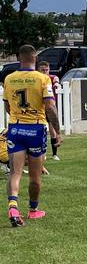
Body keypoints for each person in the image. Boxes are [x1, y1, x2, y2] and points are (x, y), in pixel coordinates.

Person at [4, 44, 63, 227]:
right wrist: (57, 132)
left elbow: (7, 106)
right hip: (35, 129)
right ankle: (33, 210)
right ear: (35, 58)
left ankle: (13, 206)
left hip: (15, 128)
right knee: (35, 176)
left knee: (15, 172)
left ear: (19, 58)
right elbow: (50, 107)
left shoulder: (9, 78)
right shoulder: (42, 79)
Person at [37, 61, 62, 161]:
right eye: (43, 70)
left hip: (50, 107)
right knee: (40, 131)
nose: (45, 72)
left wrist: (56, 84)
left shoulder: (51, 78)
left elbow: (56, 79)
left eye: (46, 70)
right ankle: (42, 153)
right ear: (38, 70)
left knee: (52, 130)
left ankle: (55, 154)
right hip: (39, 108)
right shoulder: (36, 79)